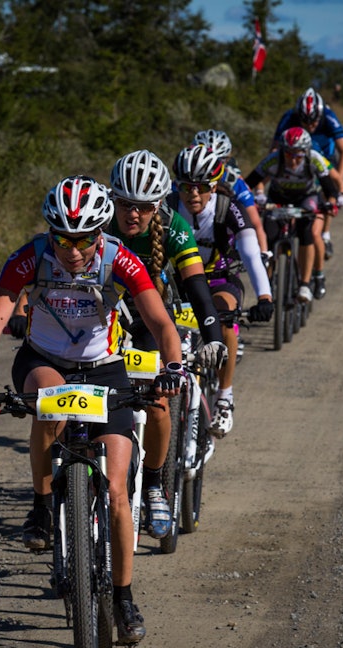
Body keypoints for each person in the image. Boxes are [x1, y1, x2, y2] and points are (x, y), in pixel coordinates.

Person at [0, 175, 184, 644]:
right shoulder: (30, 257)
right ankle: (42, 506)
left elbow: (160, 322)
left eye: (84, 240)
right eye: (63, 239)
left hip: (105, 368)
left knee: (119, 491)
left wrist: (173, 368)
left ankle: (123, 597)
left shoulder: (119, 259)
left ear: (101, 233)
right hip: (43, 361)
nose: (74, 250)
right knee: (52, 404)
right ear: (51, 233)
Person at [104, 149, 227, 535]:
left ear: (158, 204)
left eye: (143, 207)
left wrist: (213, 337)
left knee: (157, 402)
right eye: (125, 204)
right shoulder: (99, 220)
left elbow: (198, 289)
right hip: (101, 319)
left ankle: (155, 485)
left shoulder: (175, 228)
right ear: (112, 199)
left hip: (149, 321)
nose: (133, 214)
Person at [168, 144, 274, 437]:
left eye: (202, 187)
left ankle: (224, 397)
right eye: (186, 187)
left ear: (213, 186)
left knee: (225, 319)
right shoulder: (168, 206)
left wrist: (264, 296)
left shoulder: (229, 208)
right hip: (179, 282)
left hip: (220, 279)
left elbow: (250, 253)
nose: (193, 194)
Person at [246, 126, 341, 302]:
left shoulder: (314, 159)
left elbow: (330, 189)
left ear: (306, 152)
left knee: (307, 233)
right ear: (282, 151)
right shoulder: (273, 160)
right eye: (289, 154)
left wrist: (332, 204)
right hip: (277, 199)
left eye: (298, 155)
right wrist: (250, 200)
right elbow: (248, 183)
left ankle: (305, 284)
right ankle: (268, 284)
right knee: (269, 237)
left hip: (305, 198)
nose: (294, 160)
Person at [271, 88, 343, 262]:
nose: (309, 126)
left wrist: (339, 182)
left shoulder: (329, 117)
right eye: (304, 122)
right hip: (298, 159)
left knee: (326, 196)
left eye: (314, 122)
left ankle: (325, 235)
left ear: (320, 116)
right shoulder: (289, 117)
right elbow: (275, 149)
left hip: (325, 160)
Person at [193, 128, 269, 255]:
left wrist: (264, 254)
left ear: (226, 160)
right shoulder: (185, 178)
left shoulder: (235, 182)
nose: (211, 168)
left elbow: (255, 224)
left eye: (218, 162)